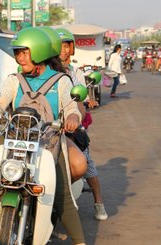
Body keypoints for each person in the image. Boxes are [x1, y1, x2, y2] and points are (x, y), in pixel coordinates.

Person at [0, 27, 87, 245]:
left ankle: (80, 241)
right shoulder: (14, 79)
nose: (19, 57)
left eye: (24, 52)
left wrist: (72, 118)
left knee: (61, 191)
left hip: (48, 140)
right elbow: (1, 101)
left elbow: (72, 107)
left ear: (39, 52)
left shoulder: (61, 81)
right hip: (16, 135)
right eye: (18, 53)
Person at [57, 27, 108, 221]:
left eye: (66, 46)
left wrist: (76, 117)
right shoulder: (46, 70)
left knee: (86, 163)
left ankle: (98, 203)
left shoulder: (75, 73)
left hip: (71, 124)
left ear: (72, 48)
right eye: (59, 46)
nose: (62, 50)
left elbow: (80, 103)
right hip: (48, 125)